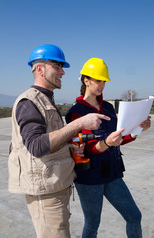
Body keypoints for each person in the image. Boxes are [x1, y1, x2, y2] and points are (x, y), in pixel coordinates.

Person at [8, 46, 110, 238]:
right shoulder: (29, 102)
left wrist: (71, 149)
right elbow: (37, 146)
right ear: (40, 69)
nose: (63, 72)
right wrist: (80, 122)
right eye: (58, 66)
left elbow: (53, 140)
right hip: (45, 191)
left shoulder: (46, 100)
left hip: (56, 185)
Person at [65, 57, 151, 238]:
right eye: (98, 80)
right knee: (93, 224)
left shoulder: (108, 107)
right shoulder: (77, 112)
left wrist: (136, 132)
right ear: (86, 80)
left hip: (112, 173)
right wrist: (107, 143)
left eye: (104, 81)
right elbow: (87, 148)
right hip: (89, 177)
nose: (102, 84)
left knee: (134, 216)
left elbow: (116, 138)